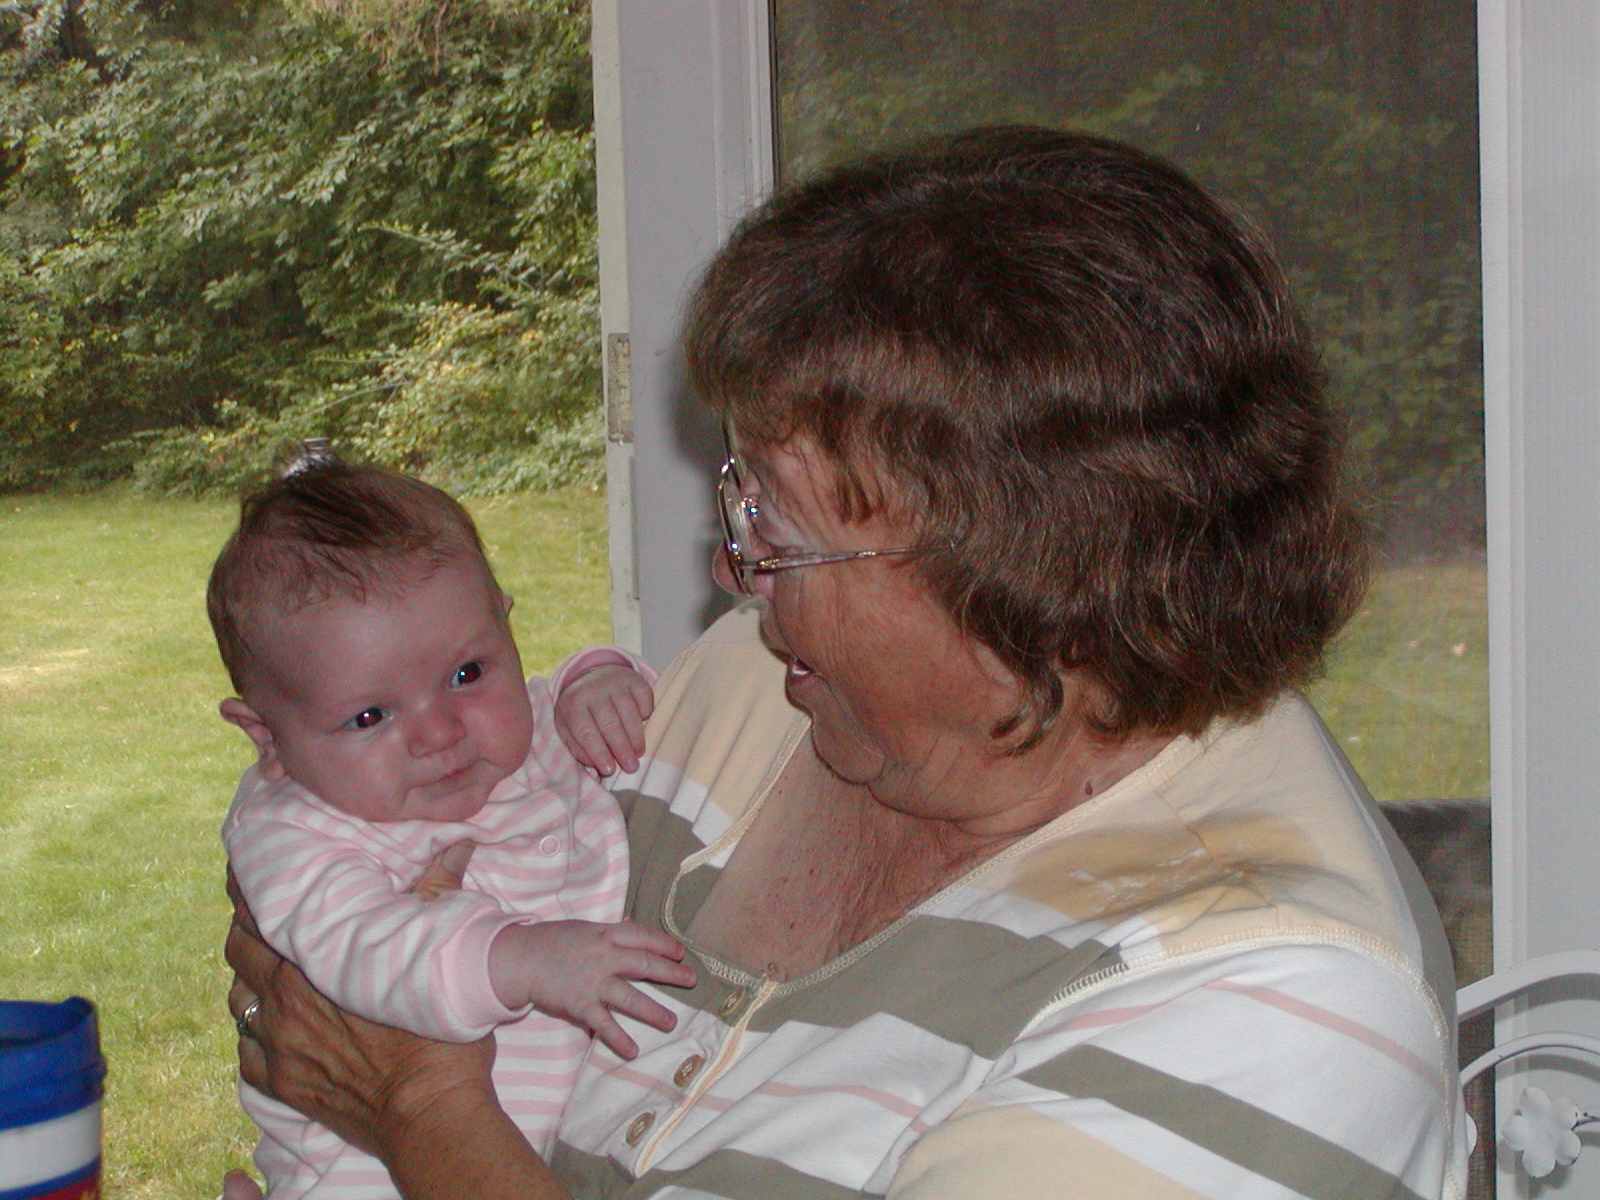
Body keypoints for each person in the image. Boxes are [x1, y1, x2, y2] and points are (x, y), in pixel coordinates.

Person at [225, 127, 1470, 1200]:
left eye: (775, 522)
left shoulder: (1268, 1004)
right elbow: (342, 941)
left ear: (1022, 579)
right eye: (743, 502)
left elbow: (377, 1051)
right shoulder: (754, 691)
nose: (734, 570)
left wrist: (422, 1111)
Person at [209, 454, 696, 1199]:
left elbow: (562, 693)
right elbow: (361, 946)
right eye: (370, 716)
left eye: (467, 673)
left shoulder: (529, 738)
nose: (439, 732)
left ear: (505, 622)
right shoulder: (293, 828)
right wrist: (520, 958)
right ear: (268, 738)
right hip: (363, 1177)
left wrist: (597, 681)